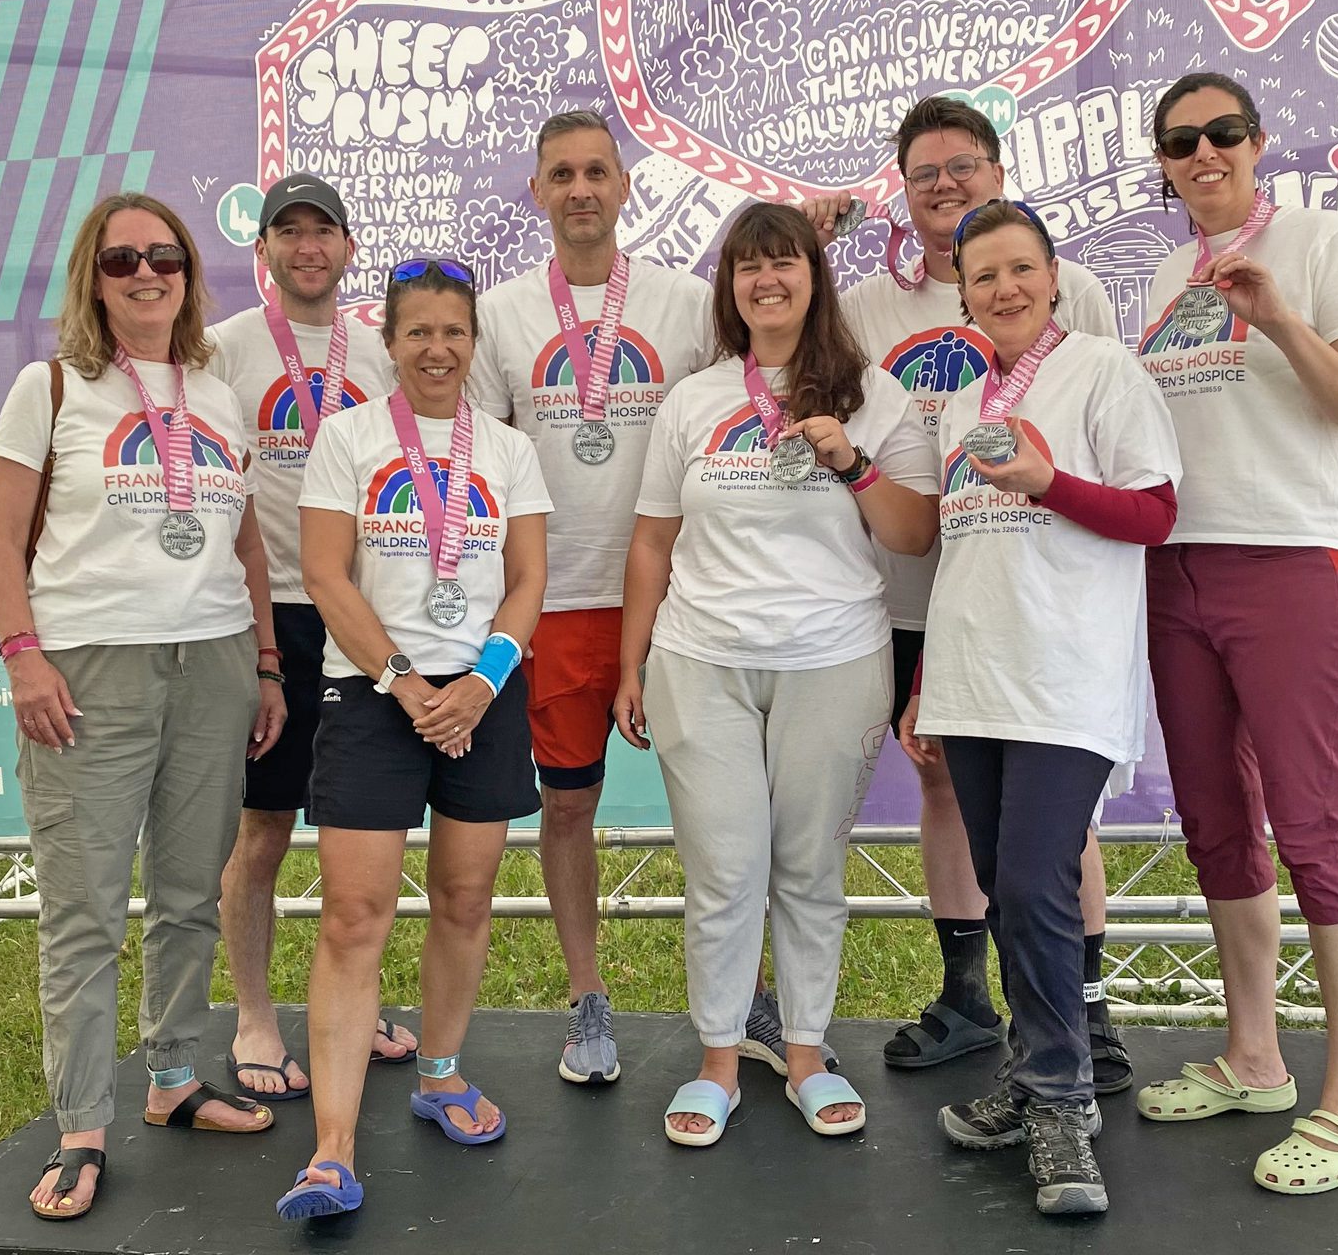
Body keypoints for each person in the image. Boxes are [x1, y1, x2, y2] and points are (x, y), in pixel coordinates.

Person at [800, 97, 1136, 1086]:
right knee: (944, 782)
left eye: (962, 167)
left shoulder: (1070, 289)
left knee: (1051, 810)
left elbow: (1115, 444)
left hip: (1036, 591)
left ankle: (1084, 1005)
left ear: (996, 171)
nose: (944, 185)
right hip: (914, 585)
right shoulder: (870, 304)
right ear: (902, 192)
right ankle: (966, 997)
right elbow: (794, 351)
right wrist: (814, 250)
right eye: (924, 174)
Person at [0, 192, 286, 1222]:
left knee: (191, 892)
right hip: (89, 668)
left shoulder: (218, 393)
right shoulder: (51, 386)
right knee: (86, 911)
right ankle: (80, 1126)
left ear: (191, 274)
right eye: (123, 260)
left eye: (165, 256)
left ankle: (174, 1076)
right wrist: (24, 657)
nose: (146, 272)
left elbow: (246, 540)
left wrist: (267, 665)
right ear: (94, 277)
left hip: (214, 663)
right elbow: (0, 537)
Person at [613, 203, 940, 1147]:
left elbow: (916, 536)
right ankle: (719, 1058)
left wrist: (853, 463)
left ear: (813, 276)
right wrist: (631, 663)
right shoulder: (693, 399)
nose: (766, 280)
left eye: (784, 261)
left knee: (808, 870)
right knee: (724, 871)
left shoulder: (875, 394)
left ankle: (804, 1053)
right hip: (700, 660)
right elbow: (652, 540)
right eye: (748, 265)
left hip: (832, 661)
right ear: (729, 286)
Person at [1133, 72, 1338, 1197]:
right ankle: (1254, 1056)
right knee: (1216, 823)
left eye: (1223, 132)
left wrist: (1282, 317)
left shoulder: (1326, 241)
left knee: (1315, 828)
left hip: (1293, 558)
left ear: (1257, 140)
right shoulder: (1165, 275)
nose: (1204, 153)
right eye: (1181, 141)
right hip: (1178, 564)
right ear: (1164, 164)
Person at [902, 199, 1180, 1214]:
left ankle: (1063, 1102)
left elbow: (1155, 512)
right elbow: (960, 546)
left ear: (1054, 278)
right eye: (983, 275)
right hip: (975, 676)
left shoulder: (1104, 370)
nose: (1004, 288)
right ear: (963, 293)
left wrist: (1050, 479)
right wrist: (928, 679)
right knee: (1001, 886)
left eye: (1021, 268)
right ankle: (1034, 1078)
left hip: (1065, 677)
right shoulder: (959, 401)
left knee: (1033, 881)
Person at [274, 258, 551, 1220]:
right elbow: (324, 573)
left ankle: (439, 1075)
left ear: (474, 342)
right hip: (373, 695)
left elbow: (528, 579)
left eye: (453, 332)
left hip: (482, 697)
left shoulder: (508, 449)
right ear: (388, 342)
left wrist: (480, 683)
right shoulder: (348, 437)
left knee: (464, 899)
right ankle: (333, 1150)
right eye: (418, 332)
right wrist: (405, 683)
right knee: (354, 916)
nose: (437, 349)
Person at [471, 110, 715, 1083]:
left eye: (596, 172)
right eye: (561, 173)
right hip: (558, 600)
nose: (580, 189)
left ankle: (741, 995)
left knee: (721, 814)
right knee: (566, 807)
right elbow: (477, 464)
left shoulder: (687, 304)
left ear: (624, 186)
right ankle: (587, 999)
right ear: (537, 191)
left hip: (682, 599)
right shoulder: (499, 315)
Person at [208, 173, 413, 1099]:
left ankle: (351, 1005)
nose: (306, 247)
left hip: (365, 614)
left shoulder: (381, 352)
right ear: (264, 251)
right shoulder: (222, 351)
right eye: (286, 232)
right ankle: (254, 1015)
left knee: (364, 830)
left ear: (347, 247)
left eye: (321, 230)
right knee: (262, 829)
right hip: (272, 614)